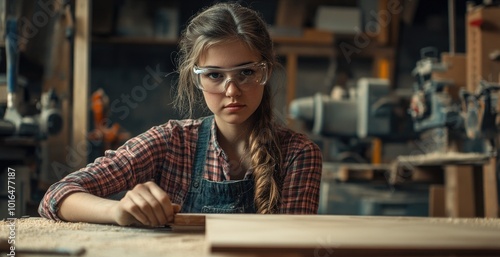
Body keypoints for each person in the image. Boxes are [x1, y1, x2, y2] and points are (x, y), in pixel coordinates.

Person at [38, 2, 322, 227]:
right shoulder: (172, 142)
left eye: (246, 72)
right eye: (214, 75)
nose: (232, 90)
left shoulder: (299, 154)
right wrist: (119, 210)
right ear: (197, 79)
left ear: (266, 71)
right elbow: (56, 196)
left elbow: (289, 253)